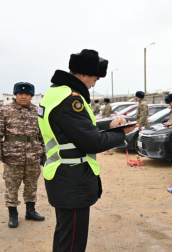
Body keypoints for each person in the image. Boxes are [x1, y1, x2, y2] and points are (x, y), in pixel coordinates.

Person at [37, 49, 136, 251]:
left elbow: (76, 130)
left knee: (65, 236)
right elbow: (92, 142)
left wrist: (109, 125)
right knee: (73, 242)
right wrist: (122, 133)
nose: (93, 84)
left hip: (63, 176)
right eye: (94, 79)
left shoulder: (56, 93)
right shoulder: (70, 100)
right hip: (72, 179)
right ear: (82, 74)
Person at [0, 82, 45, 228]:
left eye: (27, 94)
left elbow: (43, 134)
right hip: (12, 156)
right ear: (15, 95)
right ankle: (13, 214)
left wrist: (44, 151)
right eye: (20, 94)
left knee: (31, 185)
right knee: (12, 186)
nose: (24, 96)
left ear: (31, 96)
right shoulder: (5, 111)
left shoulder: (37, 111)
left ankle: (30, 211)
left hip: (33, 155)